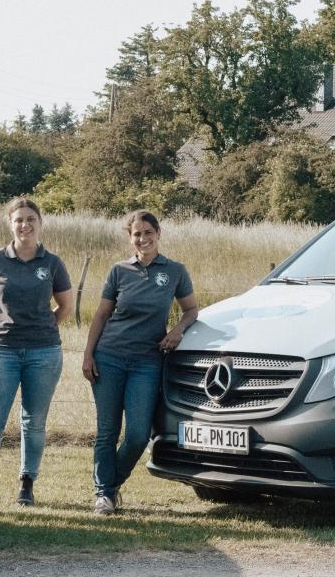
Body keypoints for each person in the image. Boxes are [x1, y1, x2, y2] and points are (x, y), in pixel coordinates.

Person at [82, 209, 198, 515]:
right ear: (130, 237)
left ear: (158, 234)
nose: (143, 239)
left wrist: (177, 330)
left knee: (137, 434)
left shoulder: (174, 271)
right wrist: (88, 354)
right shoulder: (119, 271)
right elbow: (102, 314)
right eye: (137, 234)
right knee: (107, 431)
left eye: (148, 232)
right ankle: (103, 494)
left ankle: (111, 483)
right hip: (109, 357)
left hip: (147, 362)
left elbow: (191, 310)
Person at [0, 198, 73, 506]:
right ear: (10, 223)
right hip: (2, 351)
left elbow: (65, 306)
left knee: (34, 421)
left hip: (44, 352)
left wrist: (44, 327)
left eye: (31, 219)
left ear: (40, 223)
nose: (25, 225)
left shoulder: (52, 262)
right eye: (19, 220)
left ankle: (26, 485)